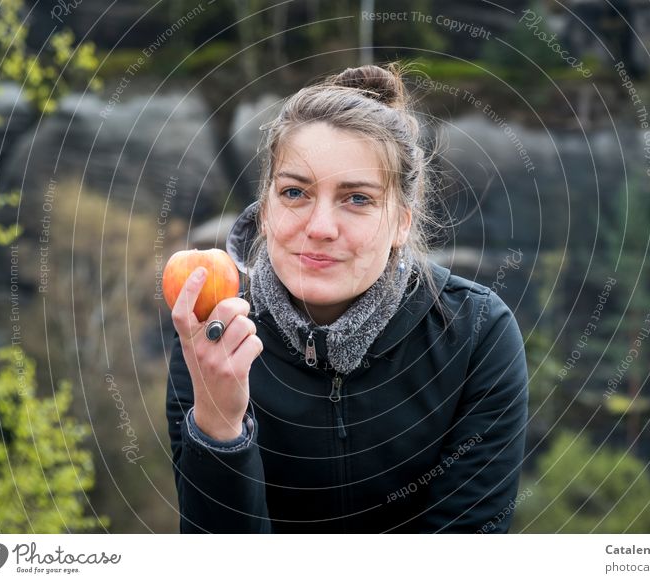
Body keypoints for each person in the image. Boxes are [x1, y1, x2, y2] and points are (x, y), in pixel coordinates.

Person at [165, 63, 529, 533]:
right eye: (295, 192)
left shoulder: (477, 334)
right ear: (266, 209)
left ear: (401, 221)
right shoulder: (214, 339)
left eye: (357, 198)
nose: (319, 228)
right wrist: (219, 429)